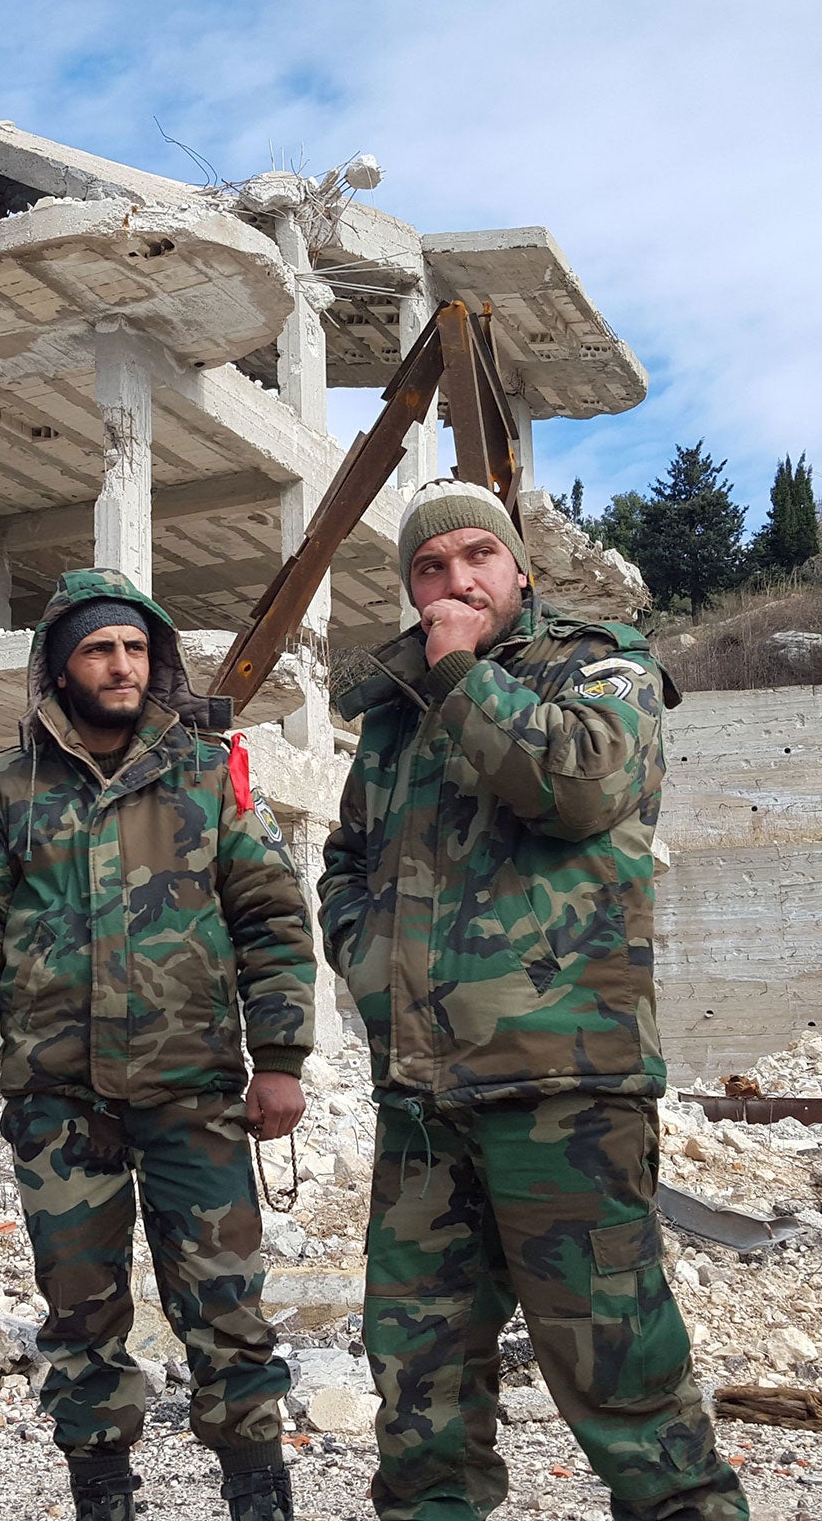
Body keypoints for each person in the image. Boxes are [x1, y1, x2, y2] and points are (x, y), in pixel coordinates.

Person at [321, 478, 748, 1521]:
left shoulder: (600, 667)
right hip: (420, 1096)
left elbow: (579, 785)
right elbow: (345, 858)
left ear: (516, 568)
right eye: (428, 568)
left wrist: (461, 668)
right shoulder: (394, 715)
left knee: (617, 1370)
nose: (453, 580)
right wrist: (363, 954)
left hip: (560, 1084)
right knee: (417, 1384)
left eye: (475, 557)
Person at [0, 567, 317, 1521]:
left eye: (136, 648)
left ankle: (259, 1496)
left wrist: (281, 1060)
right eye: (98, 649)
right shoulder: (2, 792)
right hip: (60, 1105)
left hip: (195, 1098)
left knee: (227, 1309)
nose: (121, 664)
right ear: (60, 668)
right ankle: (102, 1495)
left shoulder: (205, 777)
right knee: (82, 1317)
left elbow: (271, 919)